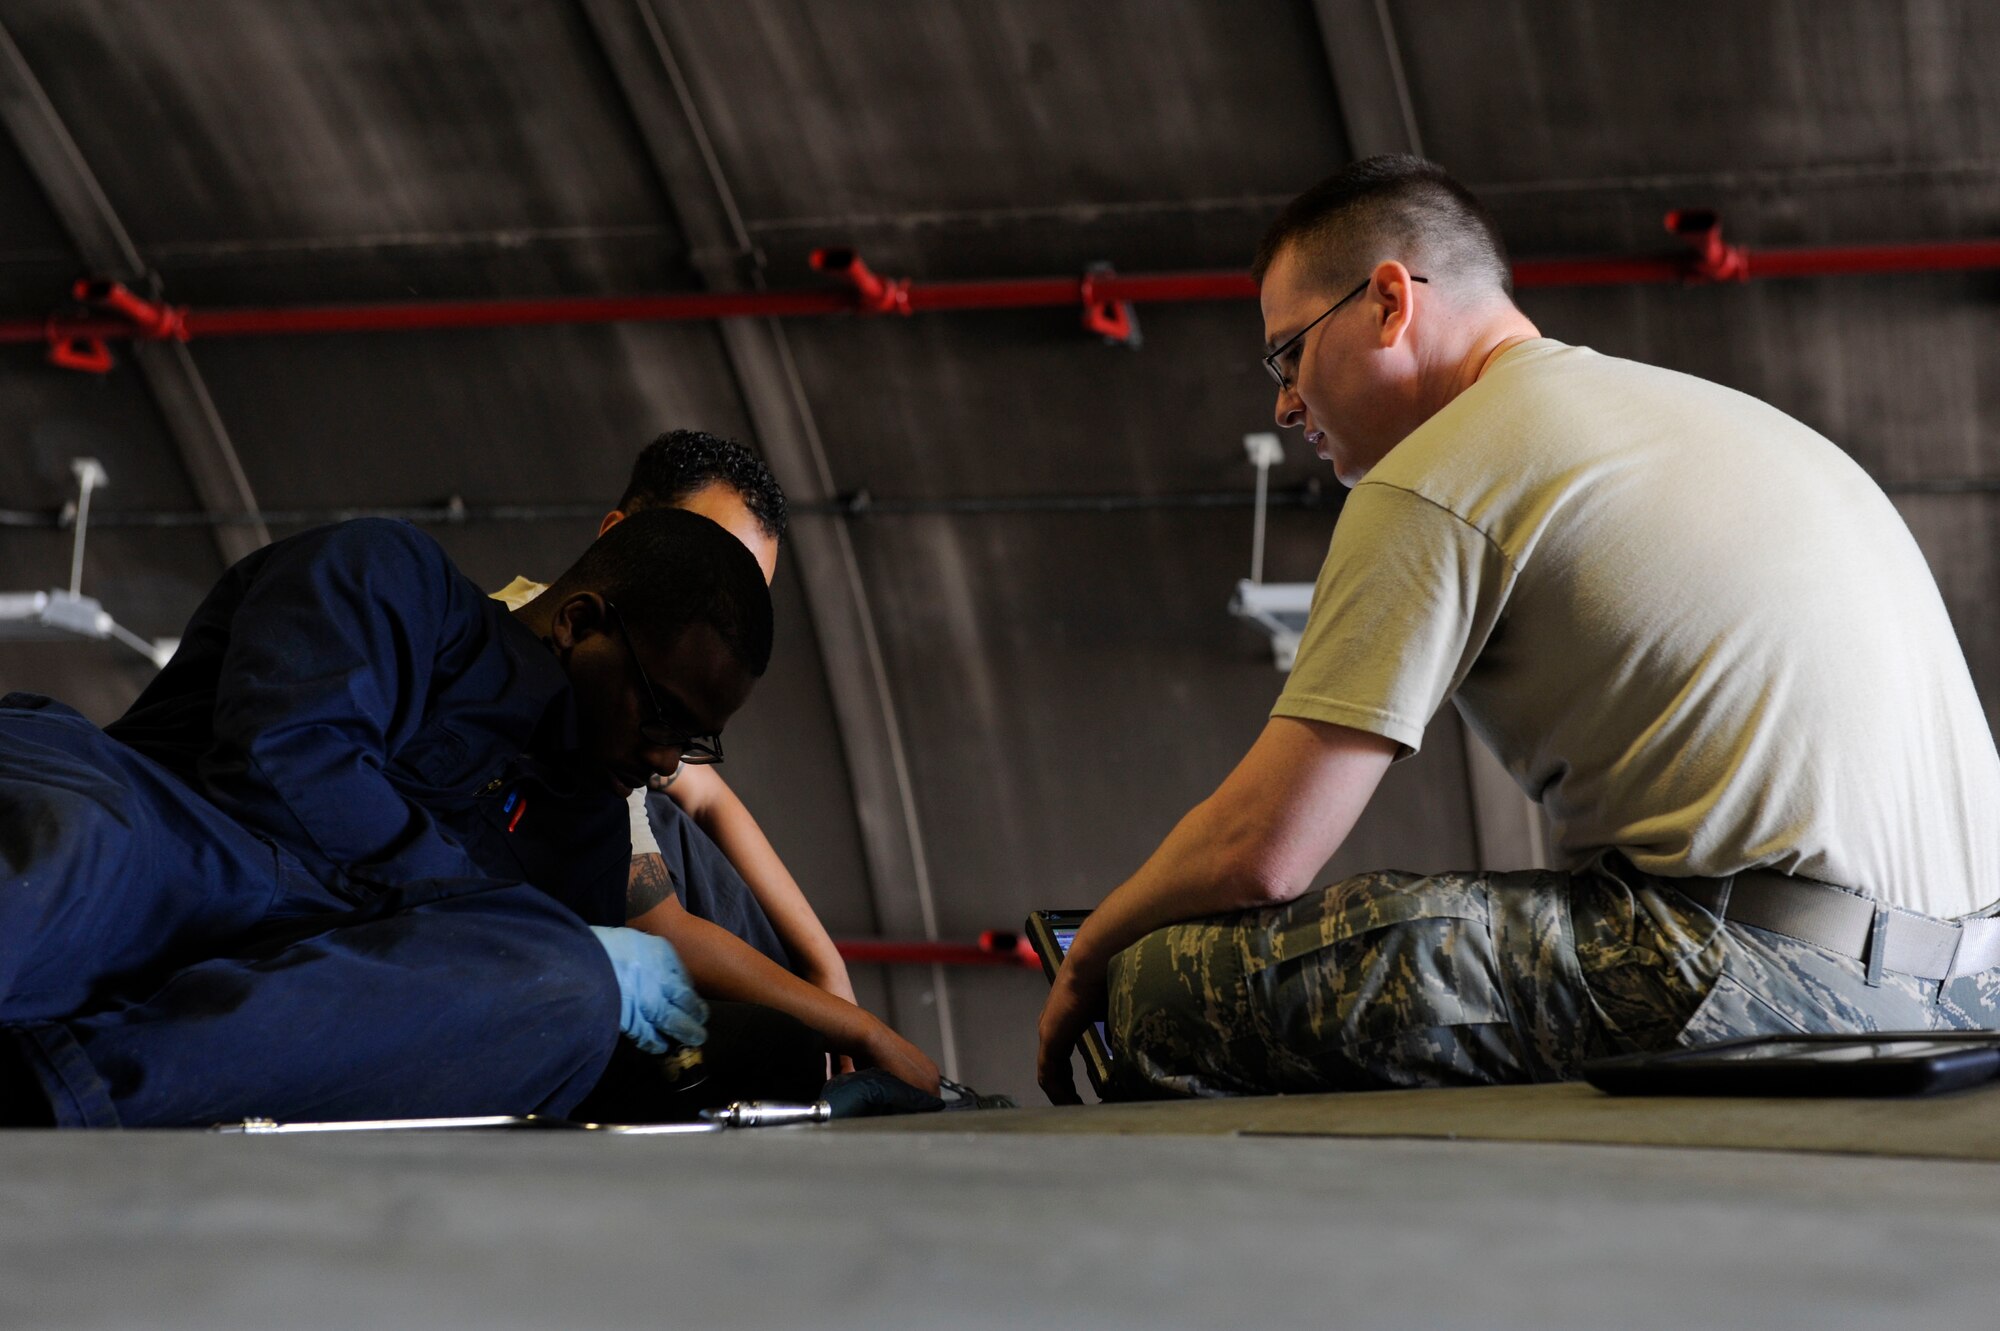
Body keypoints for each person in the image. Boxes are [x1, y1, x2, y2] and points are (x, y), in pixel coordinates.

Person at [1037, 154, 2000, 1103]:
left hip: (1779, 983)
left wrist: (1094, 959)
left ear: (1388, 302)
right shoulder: (1713, 414)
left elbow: (1260, 850)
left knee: (1163, 988)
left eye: (1288, 355)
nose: (1285, 402)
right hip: (1975, 988)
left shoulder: (1438, 470)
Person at [0, 508, 770, 1127]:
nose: (668, 759)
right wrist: (482, 909)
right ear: (577, 621)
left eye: (694, 739)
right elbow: (284, 764)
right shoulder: (392, 577)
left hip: (262, 1015)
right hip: (166, 844)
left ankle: (53, 1102)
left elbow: (459, 1004)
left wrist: (561, 959)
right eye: (663, 713)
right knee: (75, 828)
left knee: (573, 990)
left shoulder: (587, 845)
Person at [495, 430, 939, 1095]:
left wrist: (828, 969)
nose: (723, 619)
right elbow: (662, 924)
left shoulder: (623, 686)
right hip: (534, 991)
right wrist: (855, 1026)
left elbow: (706, 794)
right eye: (704, 569)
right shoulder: (578, 685)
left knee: (683, 828)